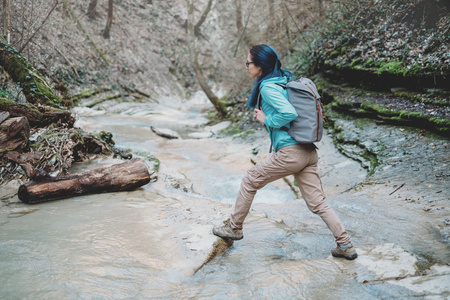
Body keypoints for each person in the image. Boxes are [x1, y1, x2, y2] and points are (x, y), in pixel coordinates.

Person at [213, 44, 357, 260]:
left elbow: (289, 113)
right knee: (318, 204)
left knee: (250, 180)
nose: (246, 67)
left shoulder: (268, 88)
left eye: (248, 63)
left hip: (292, 153)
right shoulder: (284, 82)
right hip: (308, 152)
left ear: (260, 66)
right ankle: (345, 245)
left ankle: (234, 227)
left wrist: (266, 119)